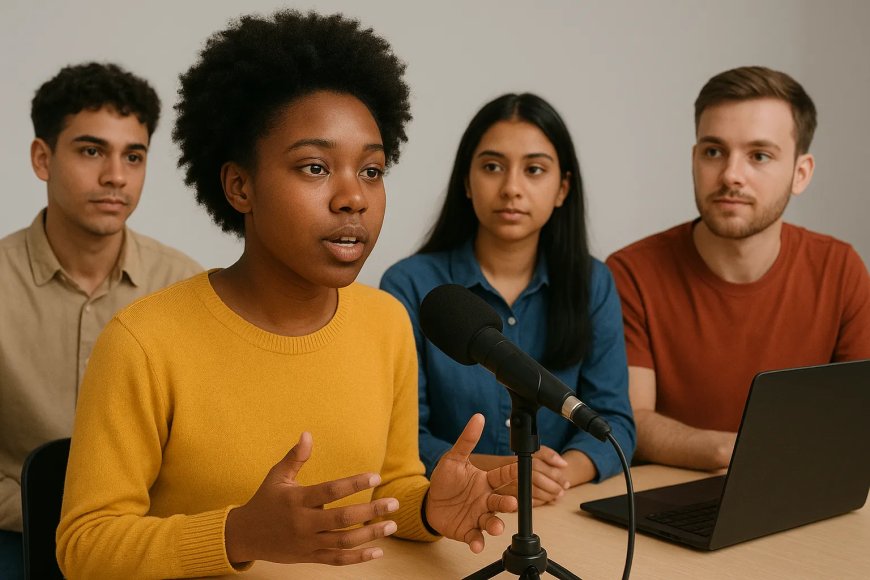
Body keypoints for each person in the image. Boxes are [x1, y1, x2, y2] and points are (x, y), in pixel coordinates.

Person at [56, 11, 518, 579]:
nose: (353, 197)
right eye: (315, 167)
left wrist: (427, 506)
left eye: (371, 171)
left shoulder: (386, 322)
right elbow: (84, 546)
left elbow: (392, 482)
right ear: (240, 186)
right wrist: (237, 534)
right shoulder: (144, 342)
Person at [606, 66, 870, 471]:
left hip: (801, 493)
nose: (731, 175)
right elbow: (632, 421)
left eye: (759, 156)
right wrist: (734, 453)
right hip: (670, 499)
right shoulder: (630, 273)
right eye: (714, 152)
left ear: (801, 173)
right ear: (694, 159)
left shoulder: (840, 269)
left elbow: (856, 420)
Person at [381, 93, 636, 506]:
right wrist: (505, 472)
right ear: (467, 181)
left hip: (560, 509)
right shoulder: (410, 284)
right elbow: (402, 438)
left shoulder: (593, 282)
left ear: (562, 188)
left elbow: (616, 422)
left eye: (534, 170)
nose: (512, 188)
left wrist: (555, 476)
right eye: (492, 167)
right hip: (449, 509)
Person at [0, 62, 201, 578]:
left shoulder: (184, 285)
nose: (116, 176)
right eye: (92, 151)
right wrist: (49, 513)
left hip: (142, 539)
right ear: (42, 158)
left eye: (133, 156)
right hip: (12, 533)